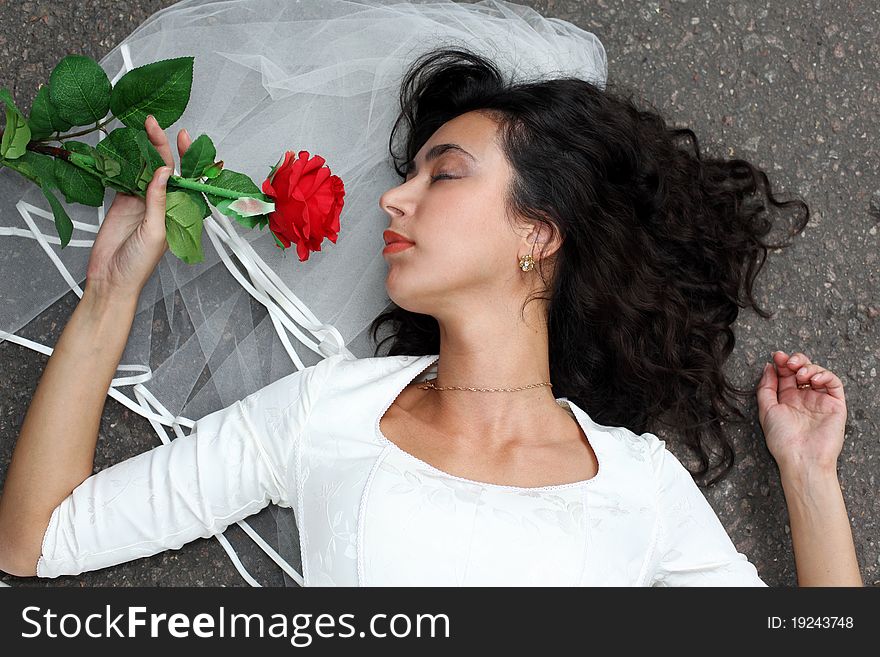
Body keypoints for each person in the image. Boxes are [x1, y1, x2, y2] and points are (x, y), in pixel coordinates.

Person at [0, 0, 863, 586]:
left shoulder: (640, 482)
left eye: (442, 174)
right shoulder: (322, 410)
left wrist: (810, 474)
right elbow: (38, 540)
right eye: (409, 172)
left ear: (539, 232)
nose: (393, 197)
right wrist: (111, 295)